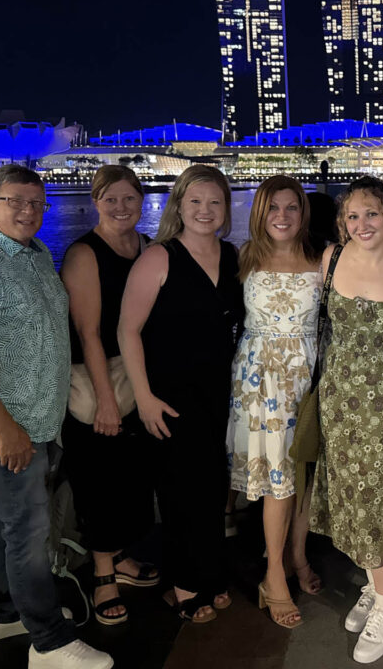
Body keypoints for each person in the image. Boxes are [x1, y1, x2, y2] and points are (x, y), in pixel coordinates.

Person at [0, 164, 113, 669]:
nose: (27, 212)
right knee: (30, 534)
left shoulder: (34, 256)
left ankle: (4, 611)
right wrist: (5, 430)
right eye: (15, 201)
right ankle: (50, 642)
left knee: (9, 523)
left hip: (41, 420)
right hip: (10, 428)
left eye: (37, 203)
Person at [309, 176, 383, 663]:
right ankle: (375, 583)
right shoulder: (330, 259)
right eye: (352, 216)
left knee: (378, 496)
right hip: (338, 398)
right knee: (351, 493)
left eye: (373, 214)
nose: (362, 224)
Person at [119, 165, 242, 624]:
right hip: (169, 395)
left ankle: (208, 573)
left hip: (219, 393)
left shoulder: (233, 257)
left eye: (214, 202)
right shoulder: (159, 257)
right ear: (179, 205)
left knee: (211, 490)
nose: (205, 211)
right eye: (195, 201)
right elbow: (127, 330)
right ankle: (184, 584)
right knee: (178, 492)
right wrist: (144, 397)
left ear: (226, 208)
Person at [60, 165, 158, 627]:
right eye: (110, 199)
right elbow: (88, 332)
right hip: (98, 378)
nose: (121, 207)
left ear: (141, 201)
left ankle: (120, 557)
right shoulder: (85, 253)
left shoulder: (146, 247)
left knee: (132, 477)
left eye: (129, 199)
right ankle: (103, 576)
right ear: (95, 202)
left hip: (137, 377)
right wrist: (104, 398)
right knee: (100, 479)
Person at [229, 176, 322, 628]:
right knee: (277, 482)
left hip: (308, 378)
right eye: (273, 208)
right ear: (260, 212)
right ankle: (274, 576)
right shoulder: (243, 257)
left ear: (303, 213)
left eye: (291, 208)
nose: (282, 217)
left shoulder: (323, 258)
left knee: (303, 476)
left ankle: (297, 558)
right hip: (261, 384)